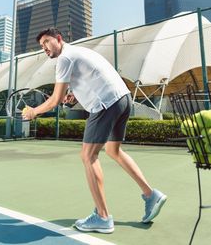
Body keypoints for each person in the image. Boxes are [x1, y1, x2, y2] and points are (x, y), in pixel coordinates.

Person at [23, 27, 167, 234]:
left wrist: (33, 112)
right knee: (113, 151)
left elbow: (54, 100)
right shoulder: (80, 52)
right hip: (123, 99)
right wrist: (73, 95)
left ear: (59, 39)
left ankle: (102, 217)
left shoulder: (64, 58)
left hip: (106, 105)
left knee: (88, 156)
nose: (44, 48)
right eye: (41, 46)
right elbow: (89, 80)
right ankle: (151, 194)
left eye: (46, 42)